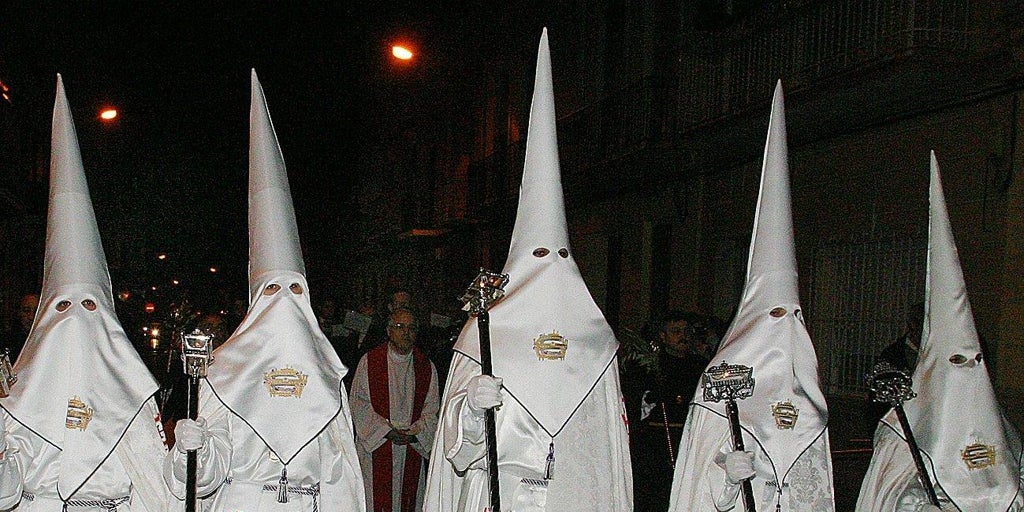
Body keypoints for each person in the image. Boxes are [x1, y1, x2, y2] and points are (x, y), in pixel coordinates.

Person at [423, 29, 633, 511]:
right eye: (538, 259)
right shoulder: (484, 334)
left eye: (558, 259)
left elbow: (605, 454)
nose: (549, 274)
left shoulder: (593, 344)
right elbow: (459, 452)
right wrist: (472, 410)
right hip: (503, 495)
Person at [163, 70, 365, 511]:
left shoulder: (326, 372)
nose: (285, 303)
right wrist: (189, 450)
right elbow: (204, 473)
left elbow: (341, 470)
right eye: (274, 291)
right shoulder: (225, 370)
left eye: (295, 290)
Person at [0, 75, 171, 511]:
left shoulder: (128, 392)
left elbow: (158, 485)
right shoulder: (18, 397)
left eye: (89, 306)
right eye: (64, 307)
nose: (77, 318)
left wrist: (191, 455)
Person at [669, 82, 835, 511]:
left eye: (794, 316)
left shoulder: (808, 394)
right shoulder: (718, 385)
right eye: (777, 315)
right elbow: (698, 476)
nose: (787, 326)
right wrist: (726, 474)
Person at [856, 153, 1023, 512]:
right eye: (957, 360)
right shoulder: (901, 432)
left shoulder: (1002, 429)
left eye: (975, 361)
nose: (967, 369)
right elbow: (885, 495)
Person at [350, 308, 439, 511]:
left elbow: (432, 409)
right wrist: (386, 431)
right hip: (377, 447)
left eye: (411, 328)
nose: (406, 332)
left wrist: (415, 433)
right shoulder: (370, 362)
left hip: (411, 448)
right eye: (400, 327)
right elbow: (359, 404)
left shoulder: (426, 367)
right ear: (389, 331)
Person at [632, 311, 710, 510]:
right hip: (656, 443)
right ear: (662, 336)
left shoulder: (700, 364)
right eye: (675, 331)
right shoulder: (649, 365)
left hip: (687, 437)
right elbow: (637, 401)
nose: (682, 336)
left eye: (685, 331)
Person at [1, 294, 37, 363]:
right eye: (26, 311)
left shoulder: (48, 338)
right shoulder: (7, 340)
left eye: (35, 312)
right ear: (19, 313)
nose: (31, 317)